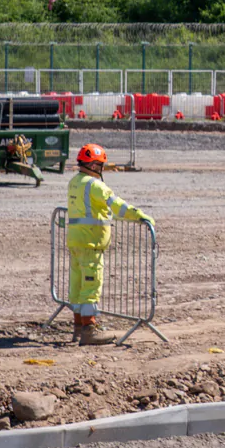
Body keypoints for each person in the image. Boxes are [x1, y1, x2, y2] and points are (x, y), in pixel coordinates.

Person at [64, 143, 154, 346]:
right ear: (95, 165)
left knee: (77, 286)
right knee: (91, 285)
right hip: (90, 242)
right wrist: (139, 216)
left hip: (76, 241)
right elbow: (118, 206)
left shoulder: (75, 182)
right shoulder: (95, 185)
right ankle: (89, 330)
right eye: (101, 165)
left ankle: (78, 327)